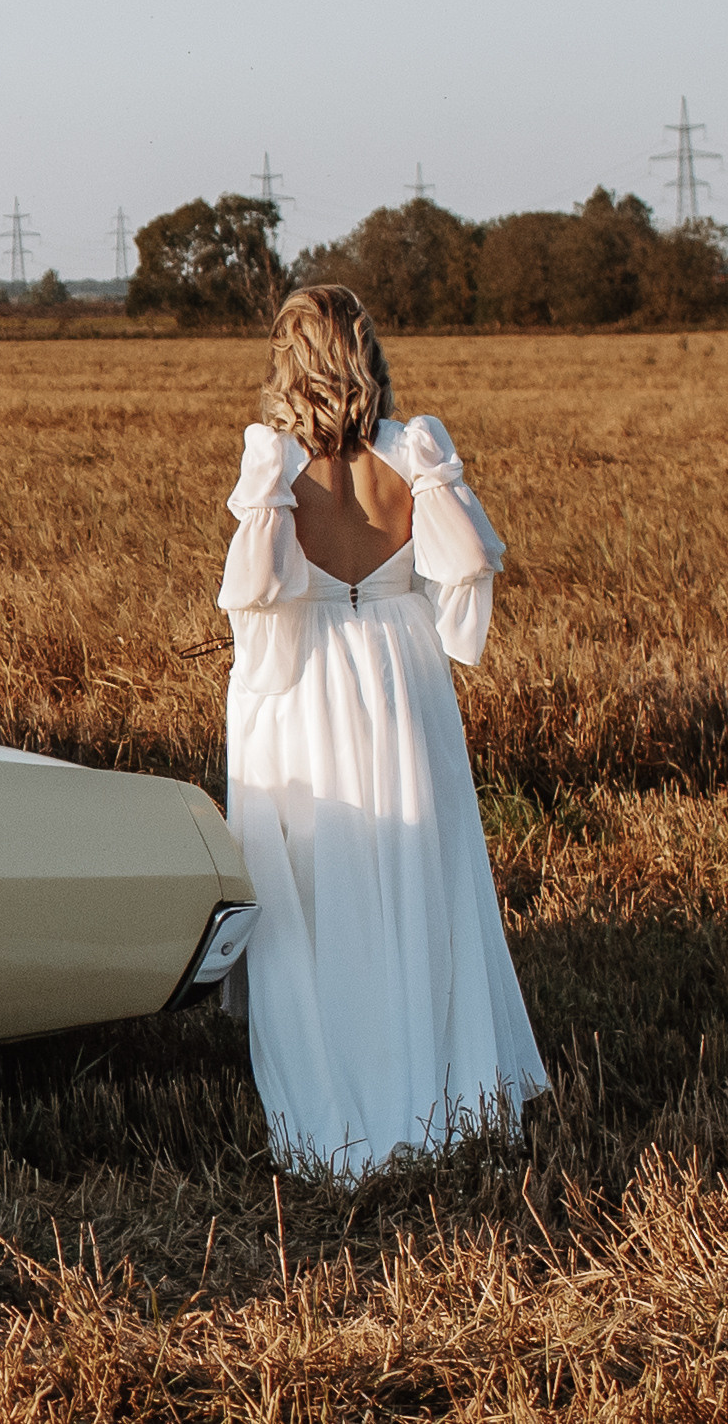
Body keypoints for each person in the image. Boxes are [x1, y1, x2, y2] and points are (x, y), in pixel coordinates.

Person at [217, 285, 548, 1179]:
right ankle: (441, 1088)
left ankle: (341, 1095)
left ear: (290, 363)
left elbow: (255, 596)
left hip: (304, 689)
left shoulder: (274, 468)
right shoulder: (414, 454)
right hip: (401, 674)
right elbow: (468, 563)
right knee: (422, 876)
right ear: (368, 353)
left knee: (316, 886)